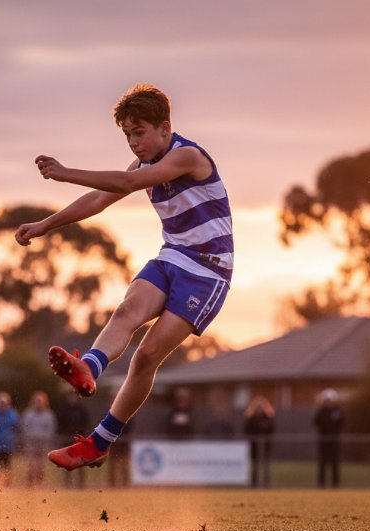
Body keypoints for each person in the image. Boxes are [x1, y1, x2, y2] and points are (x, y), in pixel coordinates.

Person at [15, 83, 233, 470]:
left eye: (140, 132)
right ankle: (90, 367)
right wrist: (46, 224)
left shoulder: (188, 155)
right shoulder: (143, 164)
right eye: (127, 135)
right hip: (173, 256)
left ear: (165, 127)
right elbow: (98, 200)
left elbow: (127, 183)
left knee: (147, 356)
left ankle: (100, 442)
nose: (133, 143)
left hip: (209, 271)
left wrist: (66, 173)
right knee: (128, 309)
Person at [21, 391, 57, 488]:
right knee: (31, 464)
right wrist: (30, 437)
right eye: (36, 401)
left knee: (42, 465)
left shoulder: (48, 415)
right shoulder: (28, 414)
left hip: (43, 443)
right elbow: (25, 427)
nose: (38, 403)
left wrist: (45, 438)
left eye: (40, 401)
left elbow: (51, 429)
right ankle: (30, 484)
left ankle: (40, 483)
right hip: (31, 443)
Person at [56, 393, 91, 488]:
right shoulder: (63, 410)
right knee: (67, 461)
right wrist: (65, 433)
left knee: (80, 461)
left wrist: (81, 434)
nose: (72, 399)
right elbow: (60, 423)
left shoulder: (82, 410)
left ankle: (81, 483)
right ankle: (67, 482)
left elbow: (86, 423)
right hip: (67, 440)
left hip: (79, 440)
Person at [313, 388, 344, 488]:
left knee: (335, 464)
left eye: (330, 400)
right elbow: (316, 422)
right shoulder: (321, 412)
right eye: (326, 400)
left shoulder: (338, 411)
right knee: (323, 464)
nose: (328, 403)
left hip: (334, 442)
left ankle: (336, 485)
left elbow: (342, 423)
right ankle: (321, 485)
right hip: (324, 442)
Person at [244, 396, 276, 488]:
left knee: (266, 465)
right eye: (257, 406)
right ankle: (254, 483)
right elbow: (246, 429)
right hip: (254, 446)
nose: (259, 408)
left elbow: (272, 429)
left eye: (261, 406)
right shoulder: (251, 418)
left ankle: (266, 483)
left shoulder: (268, 418)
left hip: (265, 446)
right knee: (255, 465)